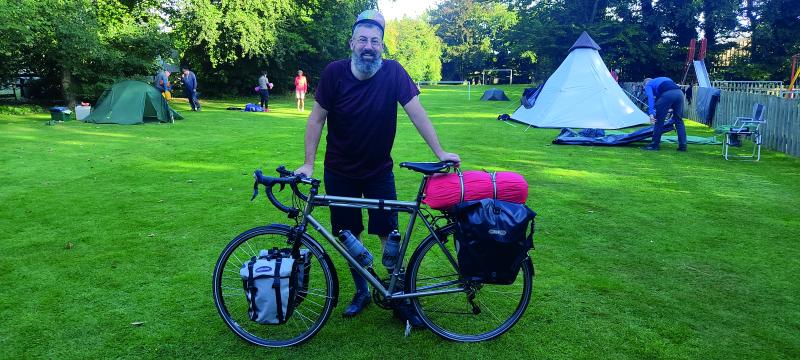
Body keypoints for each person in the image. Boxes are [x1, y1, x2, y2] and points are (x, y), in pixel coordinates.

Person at [294, 9, 460, 323]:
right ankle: (362, 291)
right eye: (363, 40)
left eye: (375, 40)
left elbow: (417, 113)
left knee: (390, 234)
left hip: (378, 170)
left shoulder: (394, 73)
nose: (369, 46)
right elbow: (316, 119)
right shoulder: (334, 73)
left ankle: (395, 294)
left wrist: (440, 152)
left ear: (381, 46)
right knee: (347, 234)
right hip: (339, 170)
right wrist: (308, 164)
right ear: (351, 43)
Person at [642, 77, 687, 151]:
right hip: (680, 93)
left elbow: (650, 97)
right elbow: (661, 97)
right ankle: (683, 146)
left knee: (659, 121)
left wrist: (651, 114)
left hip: (668, 94)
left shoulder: (648, 84)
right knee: (679, 120)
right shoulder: (664, 79)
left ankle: (654, 145)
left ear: (644, 85)